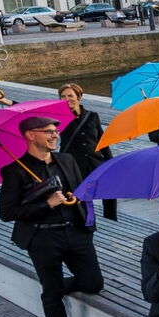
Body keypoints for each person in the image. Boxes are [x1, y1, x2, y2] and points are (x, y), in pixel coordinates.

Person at [0, 115, 104, 317]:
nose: (55, 134)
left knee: (93, 283)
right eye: (48, 131)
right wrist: (47, 203)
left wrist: (74, 197)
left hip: (75, 232)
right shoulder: (14, 170)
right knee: (52, 293)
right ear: (30, 135)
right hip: (43, 239)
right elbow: (7, 212)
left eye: (55, 130)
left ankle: (56, 284)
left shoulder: (67, 160)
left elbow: (81, 190)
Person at [56, 82, 116, 220]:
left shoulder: (92, 116)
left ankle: (110, 219)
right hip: (74, 165)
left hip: (95, 162)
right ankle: (86, 221)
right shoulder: (59, 118)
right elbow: (34, 112)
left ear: (79, 97)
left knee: (109, 191)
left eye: (70, 95)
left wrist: (110, 162)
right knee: (80, 198)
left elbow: (102, 141)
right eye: (62, 96)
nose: (66, 99)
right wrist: (7, 101)